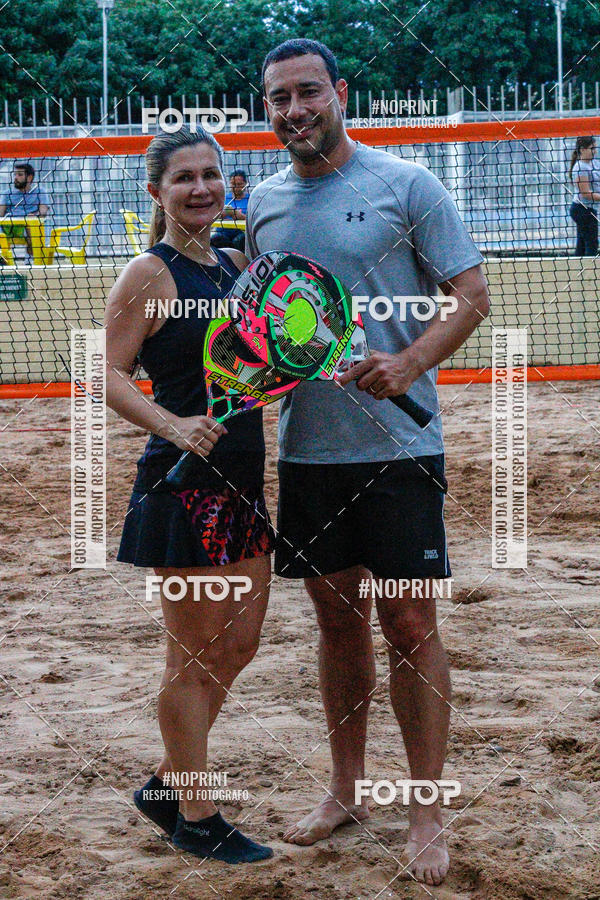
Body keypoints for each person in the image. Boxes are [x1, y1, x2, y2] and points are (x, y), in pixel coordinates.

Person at [247, 39, 490, 887]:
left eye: (308, 92)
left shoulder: (408, 184)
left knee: (412, 627)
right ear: (266, 107)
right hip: (310, 453)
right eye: (278, 98)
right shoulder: (263, 201)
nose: (294, 110)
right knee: (339, 627)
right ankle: (347, 790)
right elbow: (270, 322)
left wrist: (410, 363)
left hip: (402, 450)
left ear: (340, 92)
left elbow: (472, 295)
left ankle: (427, 808)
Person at [105, 126, 273, 863]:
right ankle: (196, 816)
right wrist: (173, 424)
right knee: (193, 659)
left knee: (238, 646)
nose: (201, 187)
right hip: (183, 486)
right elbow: (104, 373)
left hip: (243, 477)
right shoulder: (150, 273)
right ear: (157, 191)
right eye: (184, 178)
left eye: (211, 174)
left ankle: (168, 784)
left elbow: (263, 361)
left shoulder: (238, 265)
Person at [0, 163, 50, 262]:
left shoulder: (40, 192)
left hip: (31, 227)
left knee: (31, 224)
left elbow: (43, 211)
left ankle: (31, 261)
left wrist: (35, 216)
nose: (16, 177)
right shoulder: (7, 194)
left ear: (29, 177)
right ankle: (3, 259)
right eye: (15, 174)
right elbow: (0, 214)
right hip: (10, 228)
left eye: (20, 175)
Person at [568, 136, 600, 256]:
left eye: (595, 148)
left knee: (582, 244)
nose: (594, 151)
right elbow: (586, 194)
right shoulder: (580, 167)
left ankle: (578, 271)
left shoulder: (595, 163)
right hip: (582, 210)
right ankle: (588, 272)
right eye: (592, 148)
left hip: (589, 210)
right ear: (582, 149)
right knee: (591, 244)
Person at [211, 169, 249, 251]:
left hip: (241, 233)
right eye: (233, 184)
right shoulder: (223, 198)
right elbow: (211, 217)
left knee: (240, 240)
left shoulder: (251, 199)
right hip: (223, 233)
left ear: (245, 184)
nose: (236, 187)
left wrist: (237, 215)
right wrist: (220, 214)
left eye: (239, 184)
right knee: (216, 239)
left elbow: (253, 220)